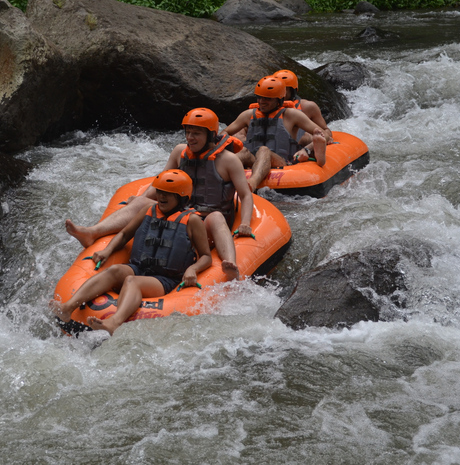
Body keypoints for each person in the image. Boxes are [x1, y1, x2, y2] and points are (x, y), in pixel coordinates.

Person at [66, 107, 253, 280]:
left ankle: (230, 263)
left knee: (216, 216)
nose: (190, 138)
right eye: (188, 132)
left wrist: (244, 223)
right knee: (142, 203)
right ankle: (92, 232)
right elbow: (161, 183)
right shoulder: (180, 152)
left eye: (196, 133)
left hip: (207, 224)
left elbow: (245, 195)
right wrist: (142, 200)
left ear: (211, 135)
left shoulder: (228, 160)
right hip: (180, 215)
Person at [50, 170, 212, 336]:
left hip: (165, 278)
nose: (162, 196)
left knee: (131, 281)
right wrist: (107, 250)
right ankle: (67, 308)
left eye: (168, 194)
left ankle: (114, 322)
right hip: (139, 266)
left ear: (182, 197)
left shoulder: (192, 220)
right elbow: (124, 234)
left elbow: (206, 256)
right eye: (160, 191)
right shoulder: (149, 210)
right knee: (114, 270)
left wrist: (193, 269)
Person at [225, 76, 327, 193]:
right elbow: (225, 133)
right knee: (243, 151)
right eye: (259, 97)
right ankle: (219, 177)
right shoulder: (248, 115)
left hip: (282, 161)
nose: (261, 102)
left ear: (279, 100)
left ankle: (251, 185)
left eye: (267, 99)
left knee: (264, 150)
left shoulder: (292, 115)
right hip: (254, 159)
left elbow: (324, 134)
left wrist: (307, 150)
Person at [273, 69, 334, 145]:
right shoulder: (266, 107)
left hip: (301, 144)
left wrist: (322, 137)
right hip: (277, 146)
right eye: (277, 89)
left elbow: (326, 130)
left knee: (305, 137)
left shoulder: (308, 106)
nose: (281, 93)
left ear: (292, 91)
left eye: (284, 89)